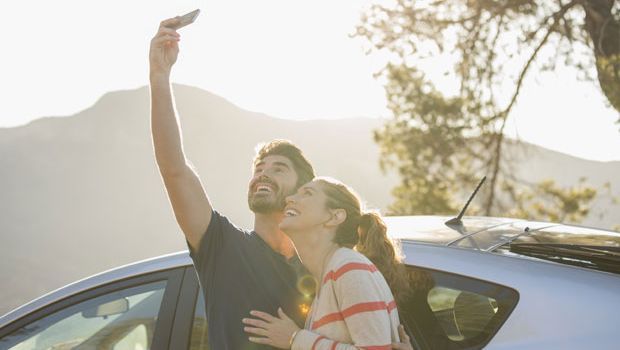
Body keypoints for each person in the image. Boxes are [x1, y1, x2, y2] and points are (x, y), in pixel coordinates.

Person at [149, 15, 414, 350]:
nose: (263, 174)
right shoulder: (223, 246)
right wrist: (159, 77)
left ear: (299, 194)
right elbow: (174, 169)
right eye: (259, 168)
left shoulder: (327, 268)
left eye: (278, 169)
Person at [243, 177, 414, 349]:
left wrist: (295, 339)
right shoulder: (332, 274)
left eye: (307, 193)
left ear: (335, 216)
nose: (289, 199)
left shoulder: (349, 268)